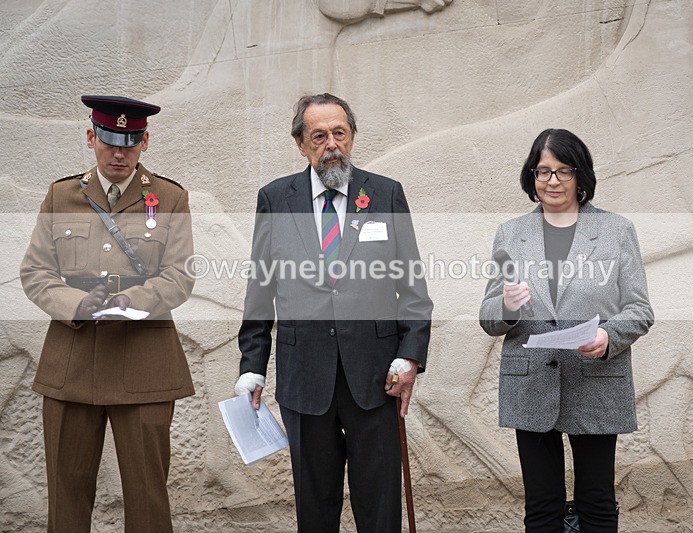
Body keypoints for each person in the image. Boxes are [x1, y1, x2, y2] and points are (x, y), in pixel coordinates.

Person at [235, 93, 433, 532]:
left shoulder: (384, 193)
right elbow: (260, 289)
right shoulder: (275, 199)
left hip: (375, 376)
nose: (332, 145)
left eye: (339, 134)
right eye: (319, 136)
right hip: (303, 375)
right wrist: (252, 367)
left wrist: (411, 355)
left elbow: (412, 288)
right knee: (315, 505)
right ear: (301, 144)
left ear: (353, 137)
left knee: (379, 504)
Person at [19, 95, 195, 532]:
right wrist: (76, 304)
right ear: (90, 137)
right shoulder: (62, 195)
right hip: (72, 358)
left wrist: (129, 304)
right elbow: (36, 272)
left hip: (145, 362)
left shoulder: (169, 197)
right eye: (110, 140)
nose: (120, 152)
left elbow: (179, 276)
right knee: (67, 494)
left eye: (131, 142)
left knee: (148, 496)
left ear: (145, 142)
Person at [479, 128, 654, 532]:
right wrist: (506, 306)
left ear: (581, 177)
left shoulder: (616, 230)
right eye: (543, 172)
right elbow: (489, 317)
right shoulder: (510, 233)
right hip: (530, 381)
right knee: (541, 507)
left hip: (596, 378)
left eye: (563, 171)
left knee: (597, 503)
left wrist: (610, 337)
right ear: (531, 177)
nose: (552, 181)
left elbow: (640, 309)